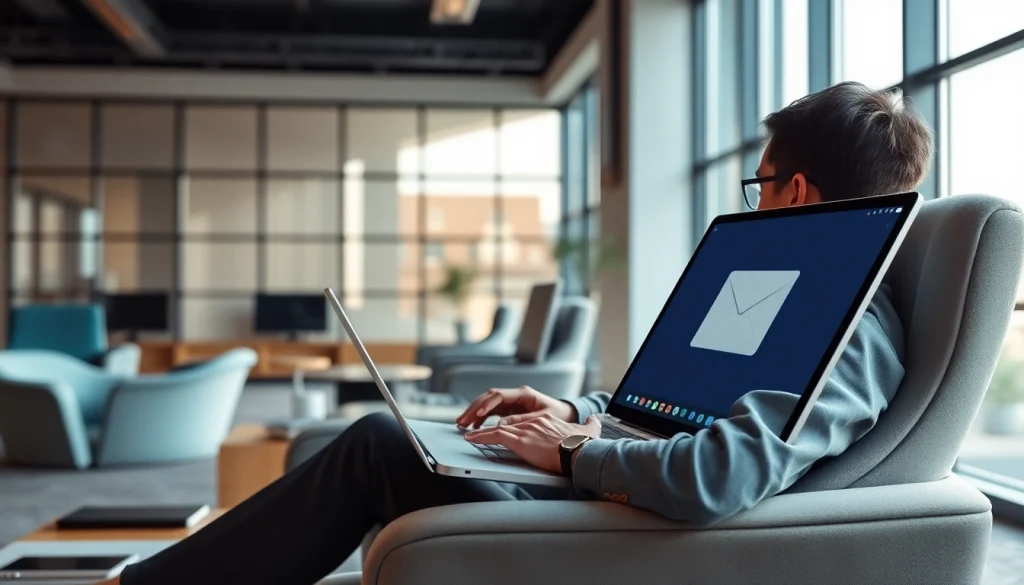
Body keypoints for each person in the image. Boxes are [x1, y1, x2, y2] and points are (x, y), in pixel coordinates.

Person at [105, 81, 934, 585]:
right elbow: (664, 406)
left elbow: (720, 476)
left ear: (793, 192)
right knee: (405, 439)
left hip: (638, 536)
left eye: (757, 186)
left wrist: (572, 452)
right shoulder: (790, 293)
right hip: (614, 498)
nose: (753, 203)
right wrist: (571, 408)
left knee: (380, 446)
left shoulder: (850, 331)